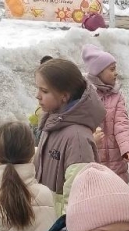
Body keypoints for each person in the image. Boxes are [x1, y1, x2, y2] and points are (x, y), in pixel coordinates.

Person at [34, 58, 106, 215]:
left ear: (64, 96)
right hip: (44, 217)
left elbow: (78, 196)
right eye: (38, 89)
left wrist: (63, 228)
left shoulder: (77, 138)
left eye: (44, 91)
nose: (37, 96)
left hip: (59, 222)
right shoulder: (52, 123)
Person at [81, 44, 129, 183]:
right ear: (98, 71)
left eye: (115, 68)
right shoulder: (85, 94)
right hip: (94, 155)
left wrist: (127, 148)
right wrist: (90, 139)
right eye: (112, 69)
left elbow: (122, 124)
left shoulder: (116, 95)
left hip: (115, 159)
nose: (116, 73)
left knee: (116, 188)